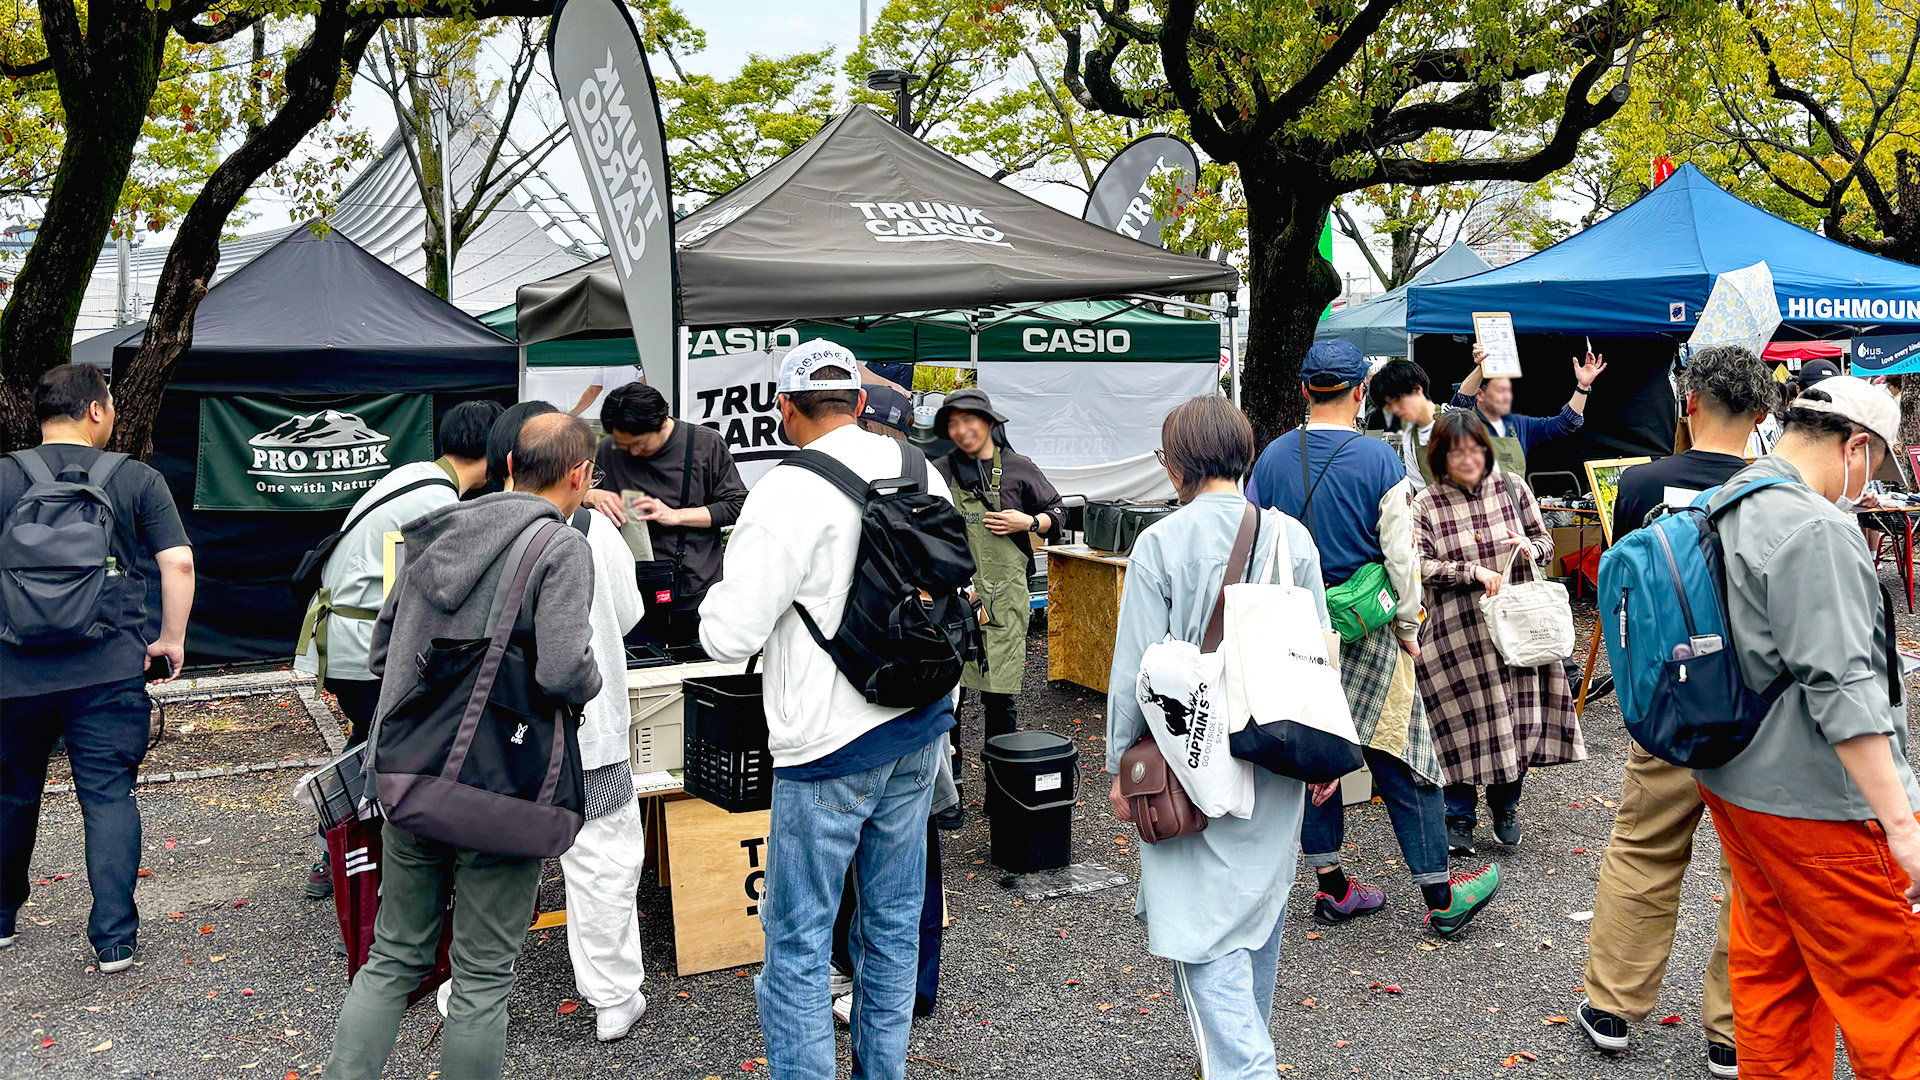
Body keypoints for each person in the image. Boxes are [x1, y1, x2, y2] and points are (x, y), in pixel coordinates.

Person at [698, 339, 957, 1080]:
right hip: (918, 725)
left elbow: (729, 635)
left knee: (799, 940)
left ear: (785, 408)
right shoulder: (920, 468)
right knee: (892, 925)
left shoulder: (785, 491)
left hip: (826, 745)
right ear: (860, 401)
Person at [324, 413, 602, 1080]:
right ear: (580, 475)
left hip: (412, 773)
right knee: (482, 975)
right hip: (501, 785)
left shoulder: (438, 531)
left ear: (507, 465)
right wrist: (590, 680)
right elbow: (563, 671)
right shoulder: (561, 547)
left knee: (392, 956)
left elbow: (383, 654)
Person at [1687, 377, 1920, 1078]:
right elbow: (1843, 690)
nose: (1870, 485)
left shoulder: (1726, 499)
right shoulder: (1816, 528)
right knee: (1893, 995)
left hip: (1737, 781)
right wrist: (1903, 826)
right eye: (1874, 466)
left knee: (1773, 974)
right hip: (1822, 803)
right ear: (1855, 446)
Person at [1106, 394, 1329, 1079]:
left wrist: (1122, 765)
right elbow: (1319, 652)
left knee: (1201, 933)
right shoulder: (1292, 537)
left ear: (1177, 466)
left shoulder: (1160, 543)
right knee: (1257, 917)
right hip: (1278, 755)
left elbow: (1136, 669)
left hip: (1189, 761)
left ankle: (1245, 1069)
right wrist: (1327, 754)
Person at [1246, 340, 1499, 937]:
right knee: (1405, 755)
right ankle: (1440, 896)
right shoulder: (1380, 461)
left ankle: (1332, 886)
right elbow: (1401, 558)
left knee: (1315, 754)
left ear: (1304, 390)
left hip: (1296, 632)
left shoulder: (1271, 458)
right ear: (1360, 392)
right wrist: (1410, 628)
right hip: (1368, 632)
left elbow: (1253, 544)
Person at [1577, 344, 1774, 1079]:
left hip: (1669, 699)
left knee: (1644, 845)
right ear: (1761, 414)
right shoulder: (1775, 492)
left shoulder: (1639, 484)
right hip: (1756, 710)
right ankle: (1733, 1030)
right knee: (1748, 868)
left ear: (1688, 403)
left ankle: (1612, 1007)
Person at [0, 363, 195, 973]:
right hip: (108, 668)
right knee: (108, 795)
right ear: (95, 410)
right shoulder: (136, 479)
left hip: (12, 672)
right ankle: (113, 939)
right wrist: (169, 639)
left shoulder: (3, 476)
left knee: (9, 793)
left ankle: (1, 920)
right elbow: (178, 563)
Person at [502, 403, 650, 1043]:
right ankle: (613, 996)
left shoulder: (477, 524)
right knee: (604, 858)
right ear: (581, 474)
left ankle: (471, 985)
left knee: (494, 856)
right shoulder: (593, 531)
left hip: (497, 737)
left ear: (512, 464)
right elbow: (629, 614)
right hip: (591, 733)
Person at [1413, 413, 1584, 856]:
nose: (1468, 460)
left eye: (1475, 450)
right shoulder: (1425, 504)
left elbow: (1545, 541)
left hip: (1517, 630)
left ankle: (1506, 807)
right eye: (1457, 453)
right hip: (1457, 634)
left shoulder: (1513, 487)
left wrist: (1531, 548)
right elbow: (1418, 564)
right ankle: (1458, 815)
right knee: (1457, 722)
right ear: (1440, 457)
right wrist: (1470, 571)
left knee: (1515, 719)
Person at [295, 399, 498, 746]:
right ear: (493, 452)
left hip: (338, 640)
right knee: (394, 750)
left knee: (372, 744)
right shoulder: (438, 503)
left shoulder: (414, 474)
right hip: (363, 649)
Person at [932, 388, 1064, 744]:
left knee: (999, 698)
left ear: (989, 423)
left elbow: (1057, 511)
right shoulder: (939, 472)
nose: (962, 430)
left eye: (969, 420)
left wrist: (1029, 522)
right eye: (953, 424)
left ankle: (1002, 774)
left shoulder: (1019, 467)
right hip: (953, 599)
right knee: (949, 699)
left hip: (1003, 599)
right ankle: (951, 775)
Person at [584, 382, 747, 648]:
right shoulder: (608, 449)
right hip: (633, 596)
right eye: (624, 445)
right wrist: (589, 496)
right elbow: (566, 502)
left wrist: (676, 516)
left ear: (661, 423)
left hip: (695, 595)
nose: (631, 452)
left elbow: (737, 505)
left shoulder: (705, 444)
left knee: (699, 670)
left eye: (639, 445)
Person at [1452, 342, 1609, 475]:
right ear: (1480, 394)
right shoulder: (1461, 422)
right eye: (1500, 391)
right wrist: (1482, 366)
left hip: (1513, 501)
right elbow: (1459, 403)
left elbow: (1566, 422)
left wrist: (1583, 386)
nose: (1507, 397)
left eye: (1508, 391)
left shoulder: (1519, 424)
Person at [1370, 358, 1453, 492]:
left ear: (1416, 389)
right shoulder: (1410, 439)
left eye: (1397, 401)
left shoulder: (1456, 419)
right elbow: (1422, 490)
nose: (1395, 410)